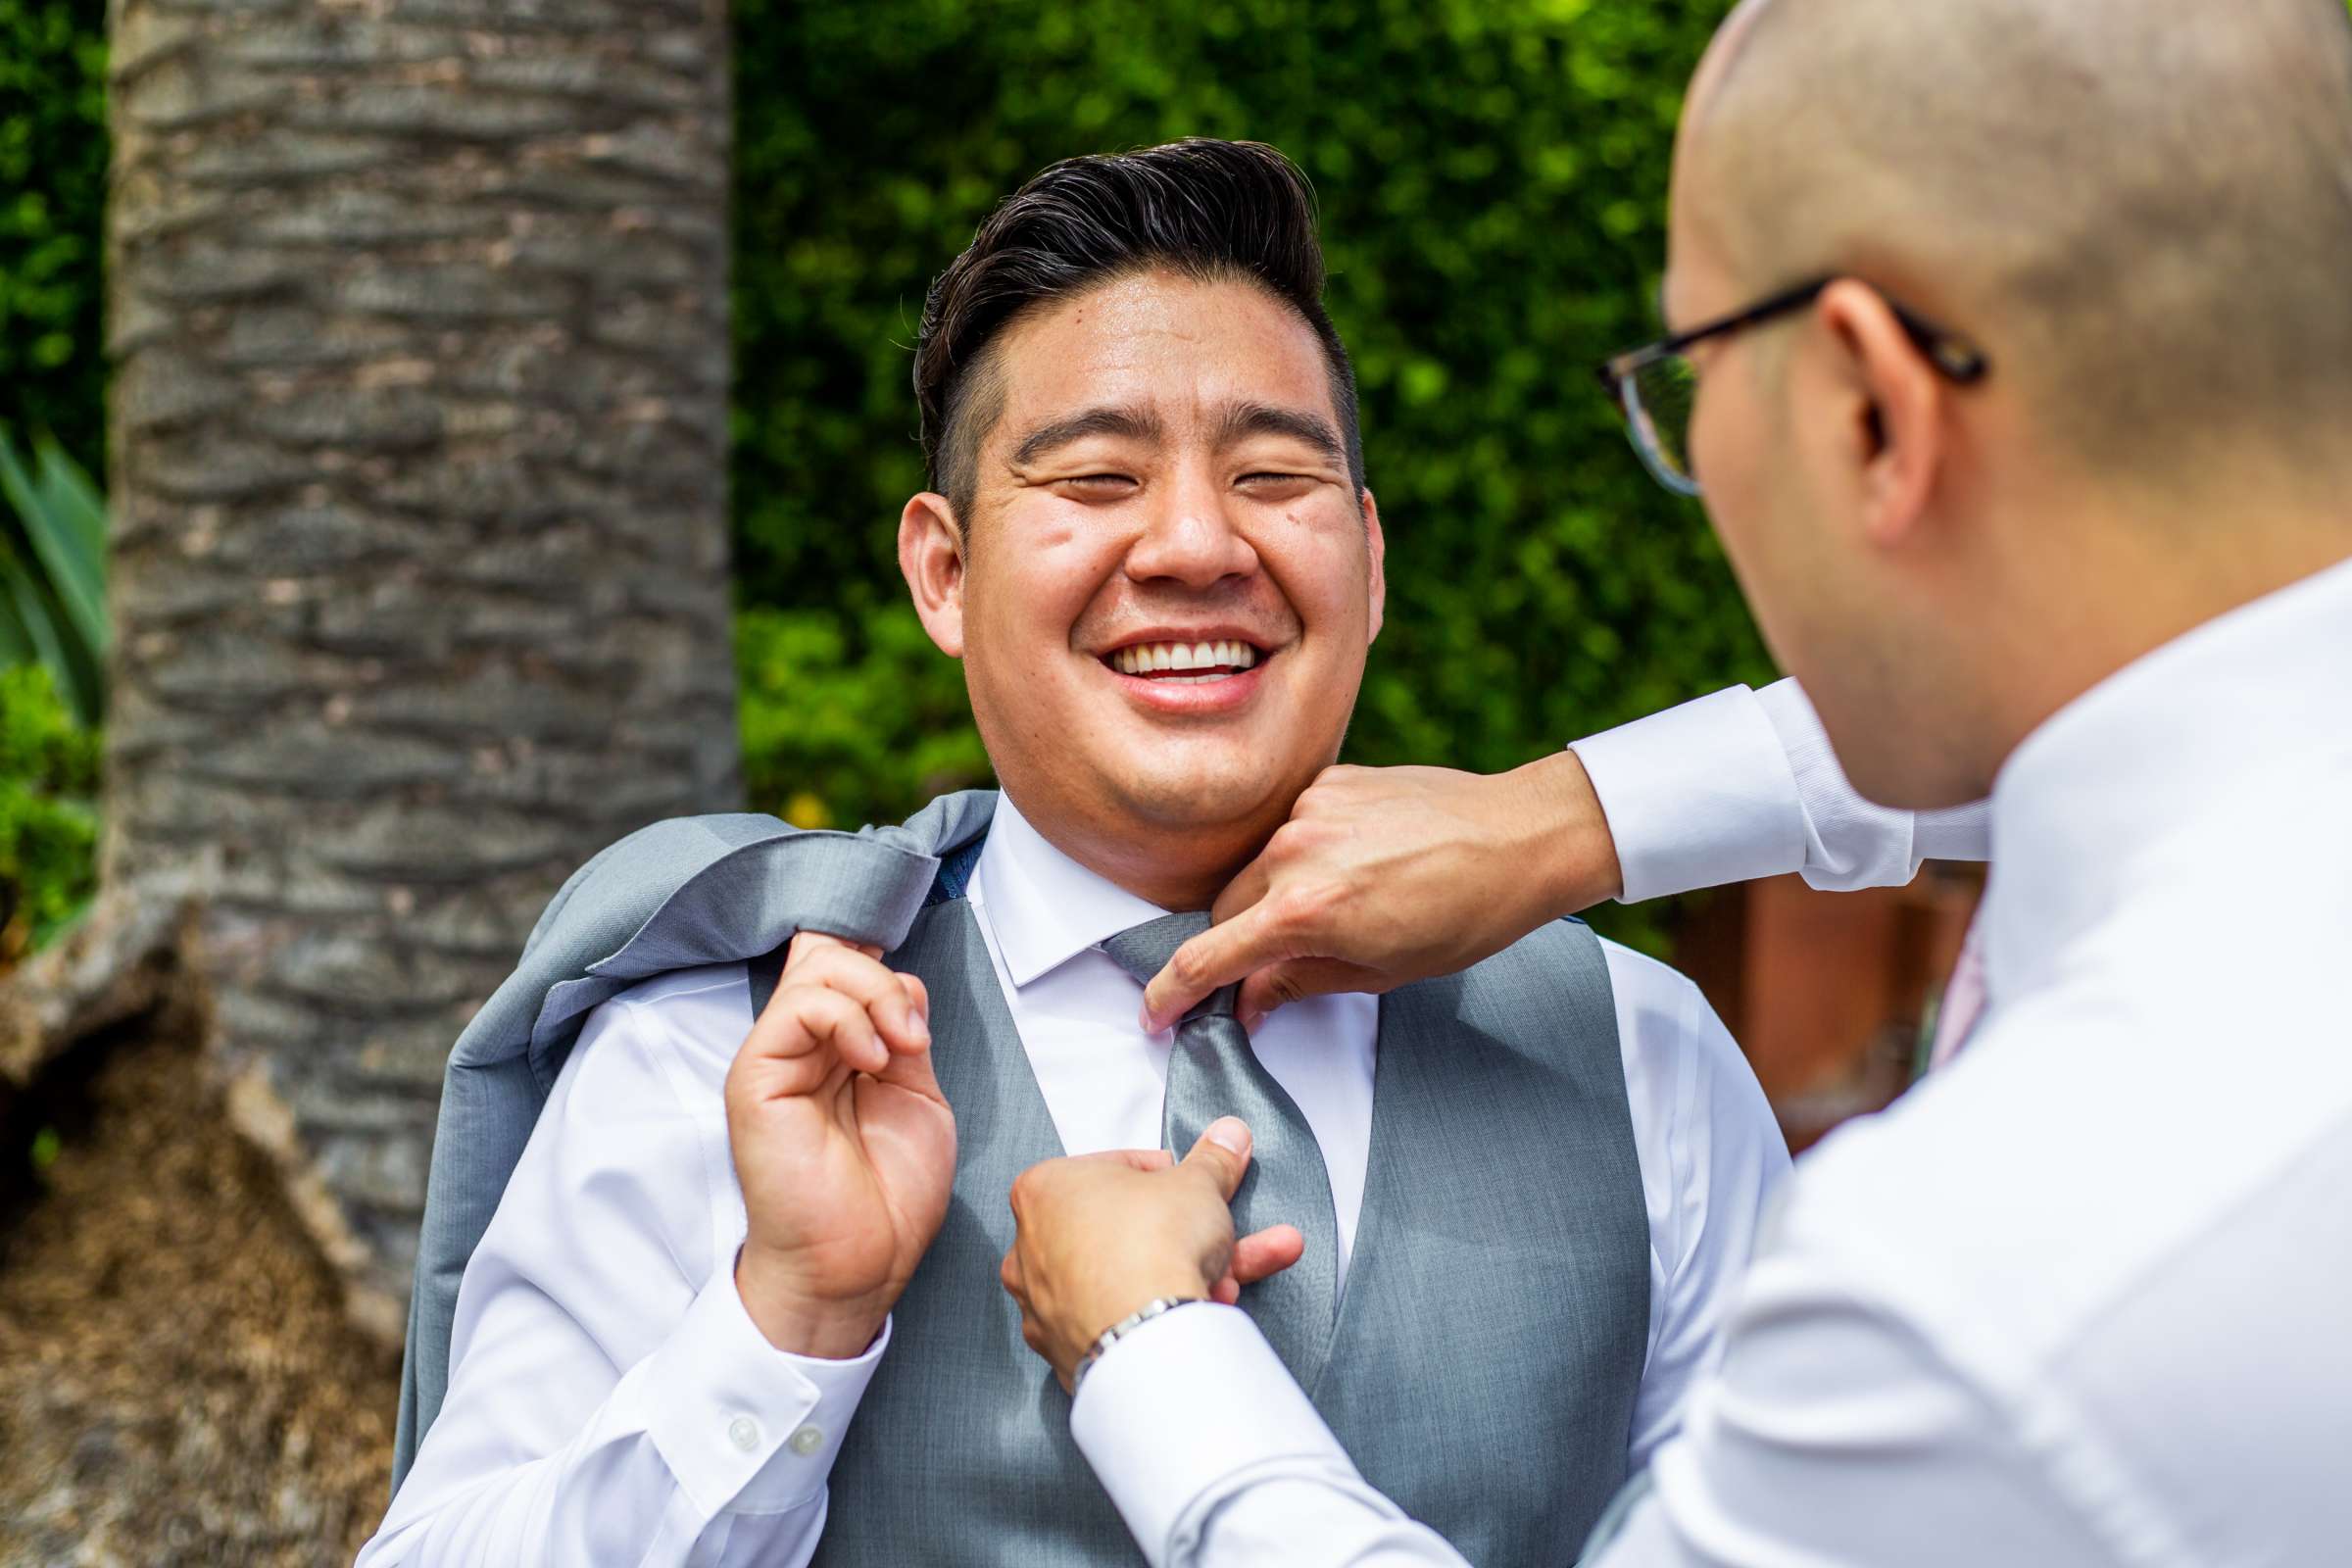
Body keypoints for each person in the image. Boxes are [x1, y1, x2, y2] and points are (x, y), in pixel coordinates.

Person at [359, 138, 1978, 1568]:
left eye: (1275, 476)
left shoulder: (1639, 1062)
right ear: (942, 573)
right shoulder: (722, 1044)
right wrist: (786, 1320)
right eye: (1095, 479)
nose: (1199, 545)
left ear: (1370, 555)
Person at [996, 2, 2352, 1564]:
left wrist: (1150, 1351)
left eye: (1689, 372)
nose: (1189, 544)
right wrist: (1576, 813)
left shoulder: (1984, 1272)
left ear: (1868, 411)